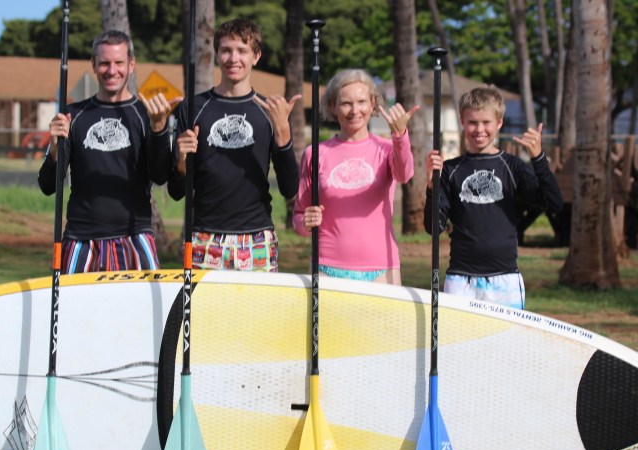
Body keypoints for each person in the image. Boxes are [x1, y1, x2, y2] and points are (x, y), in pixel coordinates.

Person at [38, 30, 181, 273]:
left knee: (145, 311)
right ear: (93, 65)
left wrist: (158, 130)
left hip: (135, 235)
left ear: (131, 64)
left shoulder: (145, 114)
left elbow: (160, 177)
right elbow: (48, 186)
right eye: (104, 63)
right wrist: (54, 149)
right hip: (81, 238)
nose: (111, 70)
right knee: (77, 310)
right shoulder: (74, 115)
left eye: (118, 63)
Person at [169, 18, 300, 272]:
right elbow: (176, 191)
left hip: (256, 237)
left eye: (242, 50)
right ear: (217, 54)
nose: (233, 58)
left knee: (257, 313)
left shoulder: (269, 112)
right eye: (226, 50)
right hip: (204, 237)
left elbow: (289, 187)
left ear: (256, 56)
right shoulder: (193, 108)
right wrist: (182, 162)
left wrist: (283, 131)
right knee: (203, 313)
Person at [424, 85, 563, 309]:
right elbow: (434, 227)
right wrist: (431, 188)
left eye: (486, 122)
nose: (479, 129)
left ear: (499, 123)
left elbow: (554, 203)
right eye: (472, 122)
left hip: (505, 279)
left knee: (506, 344)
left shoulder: (512, 167)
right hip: (461, 280)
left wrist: (538, 159)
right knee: (458, 344)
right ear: (462, 121)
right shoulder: (451, 169)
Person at [291, 69, 419, 285]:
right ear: (333, 106)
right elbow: (298, 217)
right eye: (346, 103)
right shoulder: (315, 153)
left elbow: (404, 174)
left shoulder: (387, 148)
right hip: (326, 267)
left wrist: (400, 136)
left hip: (381, 269)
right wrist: (306, 223)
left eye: (361, 102)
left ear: (373, 105)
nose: (354, 110)